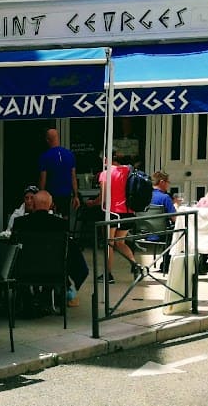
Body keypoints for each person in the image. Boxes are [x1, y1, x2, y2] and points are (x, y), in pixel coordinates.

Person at [12, 190, 88, 309]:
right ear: (50, 205)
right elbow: (71, 250)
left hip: (25, 271)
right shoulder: (61, 224)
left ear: (34, 204)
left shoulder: (20, 222)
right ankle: (48, 294)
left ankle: (26, 297)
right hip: (54, 271)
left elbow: (12, 246)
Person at [85, 149, 136, 284]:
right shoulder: (127, 171)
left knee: (109, 244)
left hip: (112, 213)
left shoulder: (105, 174)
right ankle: (136, 266)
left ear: (106, 160)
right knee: (120, 242)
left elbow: (103, 198)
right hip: (128, 211)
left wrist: (92, 203)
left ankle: (108, 275)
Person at [38, 128, 79, 217]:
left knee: (52, 219)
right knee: (64, 218)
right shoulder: (70, 154)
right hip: (66, 194)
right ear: (58, 138)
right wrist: (76, 195)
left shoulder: (44, 157)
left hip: (51, 195)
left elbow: (43, 179)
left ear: (47, 140)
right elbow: (73, 177)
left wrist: (41, 197)